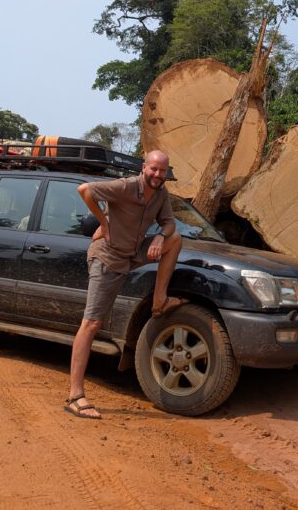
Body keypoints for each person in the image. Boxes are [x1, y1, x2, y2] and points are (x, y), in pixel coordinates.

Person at [65, 149, 186, 420]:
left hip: (131, 255)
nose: (157, 174)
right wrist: (104, 221)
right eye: (153, 169)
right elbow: (85, 190)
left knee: (174, 239)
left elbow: (169, 222)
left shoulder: (161, 194)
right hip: (107, 257)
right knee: (92, 323)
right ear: (144, 167)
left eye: (162, 170)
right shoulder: (126, 186)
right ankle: (75, 395)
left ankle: (159, 300)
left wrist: (158, 238)